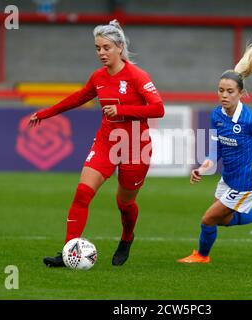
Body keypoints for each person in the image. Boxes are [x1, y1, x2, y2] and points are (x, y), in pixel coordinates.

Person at [29, 20, 165, 267]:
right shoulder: (98, 77)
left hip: (135, 146)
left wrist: (122, 109)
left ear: (120, 47)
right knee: (82, 193)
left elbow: (158, 109)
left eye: (106, 47)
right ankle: (69, 251)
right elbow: (79, 97)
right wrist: (45, 113)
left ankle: (126, 238)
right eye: (98, 48)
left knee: (124, 204)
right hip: (106, 142)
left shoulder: (137, 76)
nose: (101, 53)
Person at [178, 43, 252, 264]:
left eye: (230, 91)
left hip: (248, 180)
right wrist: (202, 169)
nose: (224, 95)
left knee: (208, 220)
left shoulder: (251, 120)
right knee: (224, 220)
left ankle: (202, 256)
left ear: (241, 93)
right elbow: (214, 151)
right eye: (220, 90)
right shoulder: (217, 115)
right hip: (229, 177)